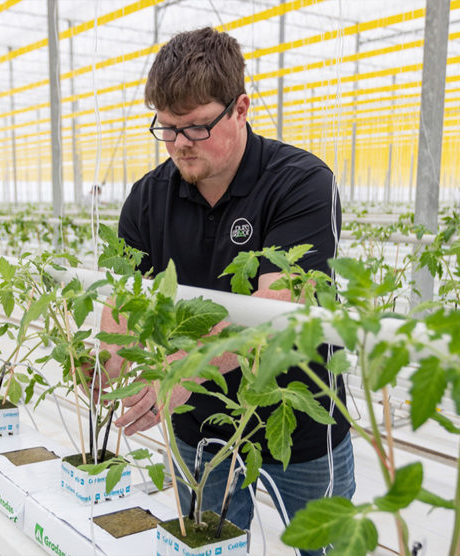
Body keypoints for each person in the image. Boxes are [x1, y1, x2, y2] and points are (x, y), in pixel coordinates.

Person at [101, 28, 348, 554]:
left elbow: (278, 310)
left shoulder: (301, 182)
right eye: (166, 130)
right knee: (210, 544)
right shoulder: (147, 197)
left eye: (195, 128)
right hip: (198, 422)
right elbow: (123, 296)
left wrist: (184, 370)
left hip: (298, 419)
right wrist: (109, 359)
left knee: (327, 546)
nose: (179, 145)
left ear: (240, 108)